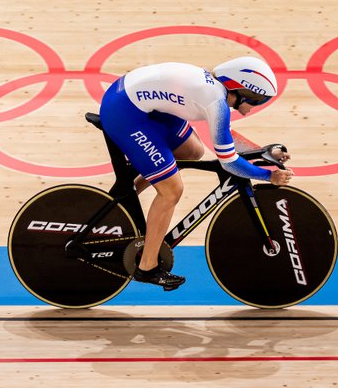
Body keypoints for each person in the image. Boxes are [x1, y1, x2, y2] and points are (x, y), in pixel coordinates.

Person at [98, 55, 294, 290]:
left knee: (192, 150)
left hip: (135, 102)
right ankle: (147, 267)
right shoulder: (215, 102)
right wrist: (267, 176)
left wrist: (262, 151)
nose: (254, 106)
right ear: (240, 89)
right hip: (125, 113)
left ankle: (129, 192)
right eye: (256, 99)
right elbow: (229, 161)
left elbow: (227, 139)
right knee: (171, 191)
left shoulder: (216, 91)